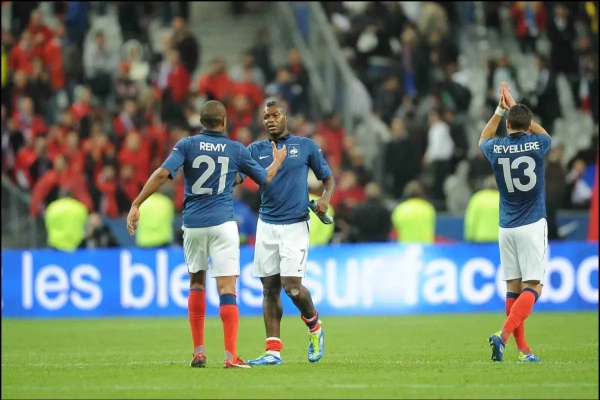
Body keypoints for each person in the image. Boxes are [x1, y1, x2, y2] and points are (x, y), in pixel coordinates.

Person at [126, 100, 287, 369]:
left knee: (196, 282)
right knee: (227, 287)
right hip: (223, 223)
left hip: (193, 224)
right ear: (224, 122)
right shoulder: (235, 148)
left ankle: (199, 352)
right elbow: (265, 178)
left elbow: (163, 173)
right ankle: (230, 356)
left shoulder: (187, 145)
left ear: (201, 122)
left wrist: (136, 203)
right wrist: (277, 161)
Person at [241, 100, 336, 366]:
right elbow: (239, 178)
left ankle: (315, 327)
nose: (270, 120)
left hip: (295, 224)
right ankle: (273, 352)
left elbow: (328, 178)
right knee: (269, 290)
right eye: (266, 117)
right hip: (266, 225)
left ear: (286, 117)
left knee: (292, 287)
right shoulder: (255, 150)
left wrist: (325, 199)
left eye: (275, 115)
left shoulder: (305, 146)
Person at [479, 82, 550, 363]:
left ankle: (523, 351)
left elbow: (483, 138)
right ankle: (504, 335)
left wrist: (500, 110)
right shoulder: (538, 144)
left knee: (513, 287)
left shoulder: (496, 148)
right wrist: (516, 107)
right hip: (532, 223)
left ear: (507, 124)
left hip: (506, 227)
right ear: (528, 125)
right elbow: (544, 134)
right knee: (534, 286)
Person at [464, 175, 500, 243]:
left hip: (481, 238)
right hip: (499, 238)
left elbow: (471, 220)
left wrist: (469, 236)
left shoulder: (477, 198)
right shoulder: (504, 199)